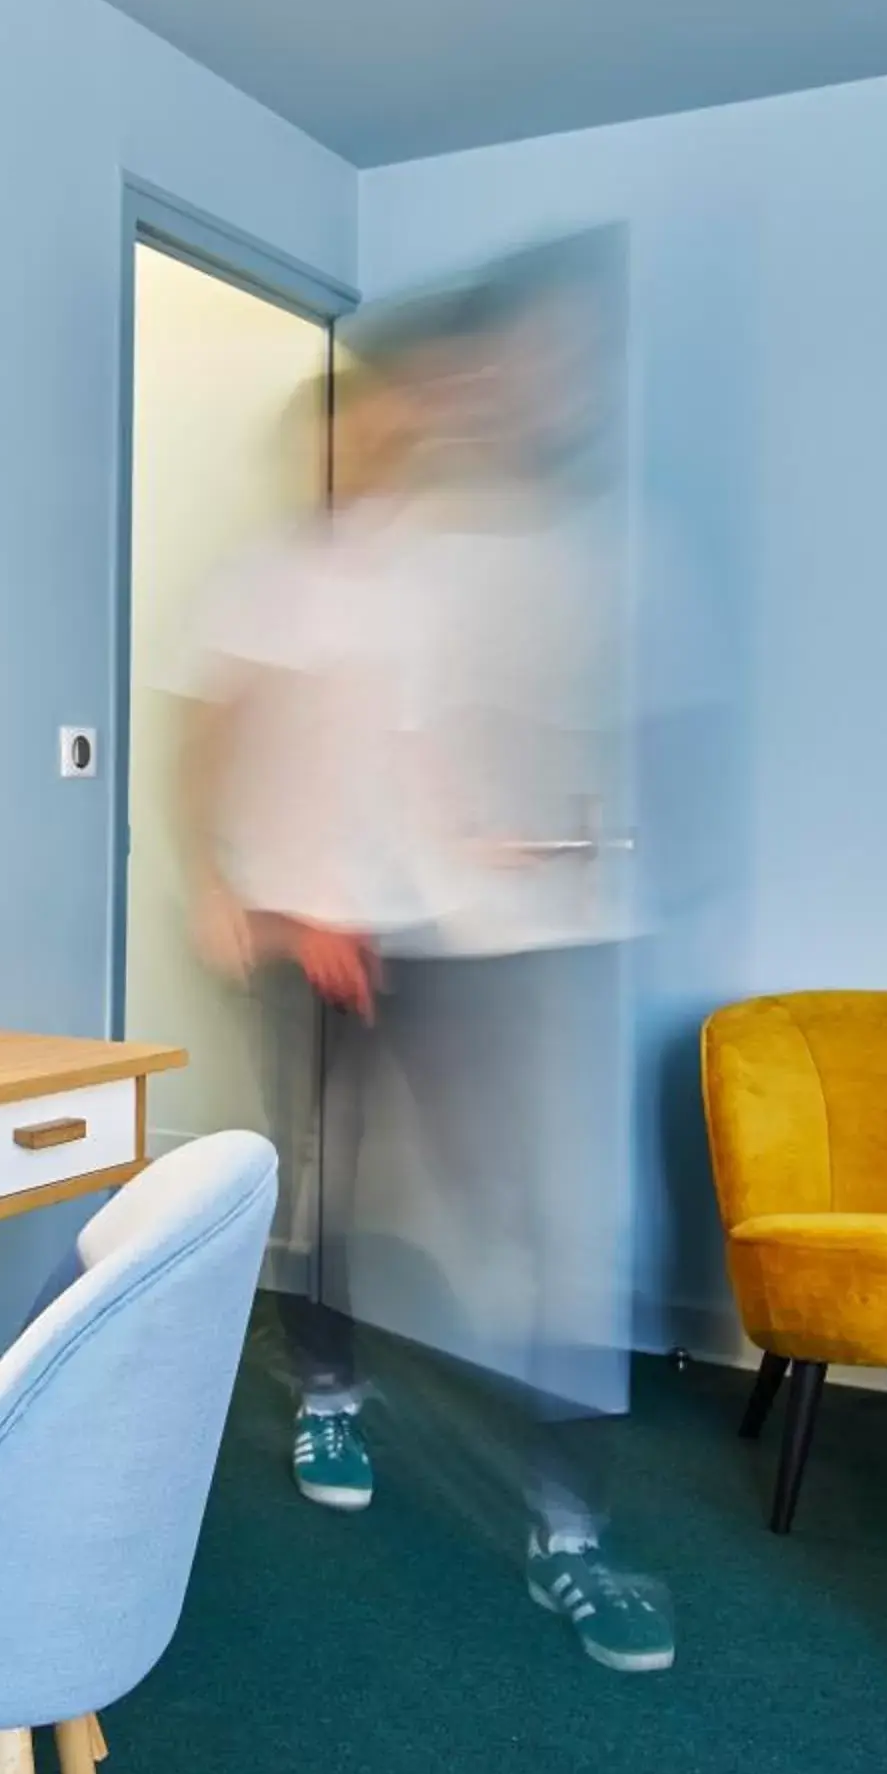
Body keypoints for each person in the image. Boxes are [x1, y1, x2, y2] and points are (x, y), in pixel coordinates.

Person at [169, 249, 673, 1674]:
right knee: (320, 1163)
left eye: (404, 423)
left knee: (523, 1207)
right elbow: (231, 739)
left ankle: (566, 1525)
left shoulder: (457, 564)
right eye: (363, 427)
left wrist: (511, 856)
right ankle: (327, 1382)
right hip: (312, 928)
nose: (392, 444)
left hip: (446, 938)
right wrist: (254, 887)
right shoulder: (272, 578)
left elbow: (439, 749)